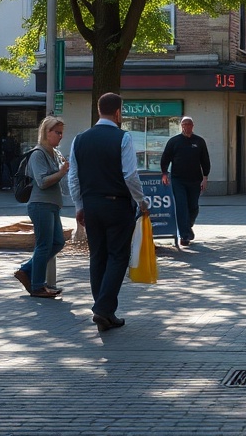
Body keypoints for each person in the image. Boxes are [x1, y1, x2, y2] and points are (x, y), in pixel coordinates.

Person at [67, 92, 148, 331]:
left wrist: (79, 206)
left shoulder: (79, 139)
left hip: (91, 205)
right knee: (117, 256)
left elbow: (73, 177)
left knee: (97, 256)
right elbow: (130, 175)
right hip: (117, 205)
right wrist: (142, 202)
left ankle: (105, 310)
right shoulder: (122, 137)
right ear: (118, 113)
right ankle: (103, 309)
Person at [12, 116, 69, 299]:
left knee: (58, 242)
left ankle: (27, 270)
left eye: (61, 133)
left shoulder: (52, 153)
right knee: (44, 245)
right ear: (47, 132)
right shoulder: (38, 154)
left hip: (51, 204)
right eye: (57, 133)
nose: (60, 137)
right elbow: (42, 181)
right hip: (40, 204)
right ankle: (37, 286)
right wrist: (61, 173)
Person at [160, 116, 211, 247]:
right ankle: (185, 236)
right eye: (184, 124)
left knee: (193, 207)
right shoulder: (174, 141)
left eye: (189, 124)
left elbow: (205, 160)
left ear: (192, 126)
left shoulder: (199, 142)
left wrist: (205, 178)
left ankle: (187, 226)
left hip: (195, 180)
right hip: (178, 180)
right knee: (182, 207)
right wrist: (164, 173)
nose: (186, 127)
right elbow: (165, 158)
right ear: (181, 126)